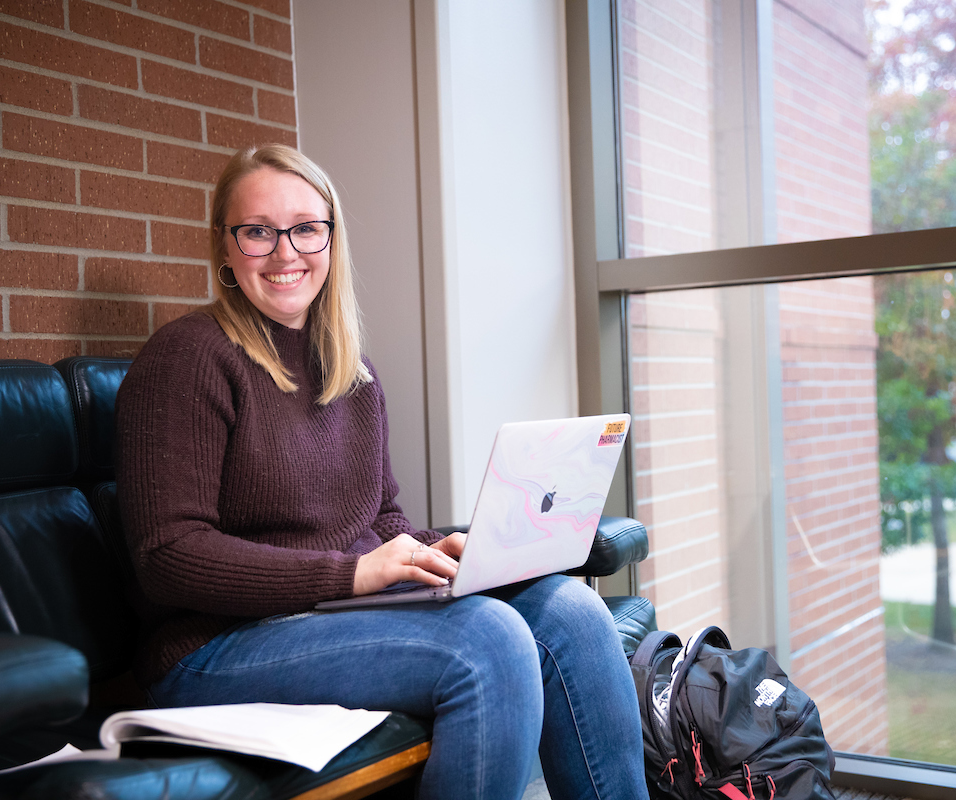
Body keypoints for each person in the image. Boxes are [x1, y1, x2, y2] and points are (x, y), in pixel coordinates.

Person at [115, 143, 647, 800]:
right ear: (224, 249)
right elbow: (168, 557)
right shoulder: (187, 357)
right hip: (215, 647)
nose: (286, 252)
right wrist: (355, 572)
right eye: (258, 232)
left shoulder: (351, 372)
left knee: (572, 613)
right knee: (489, 641)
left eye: (306, 229)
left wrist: (437, 552)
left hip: (336, 616)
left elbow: (379, 518)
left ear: (331, 241)